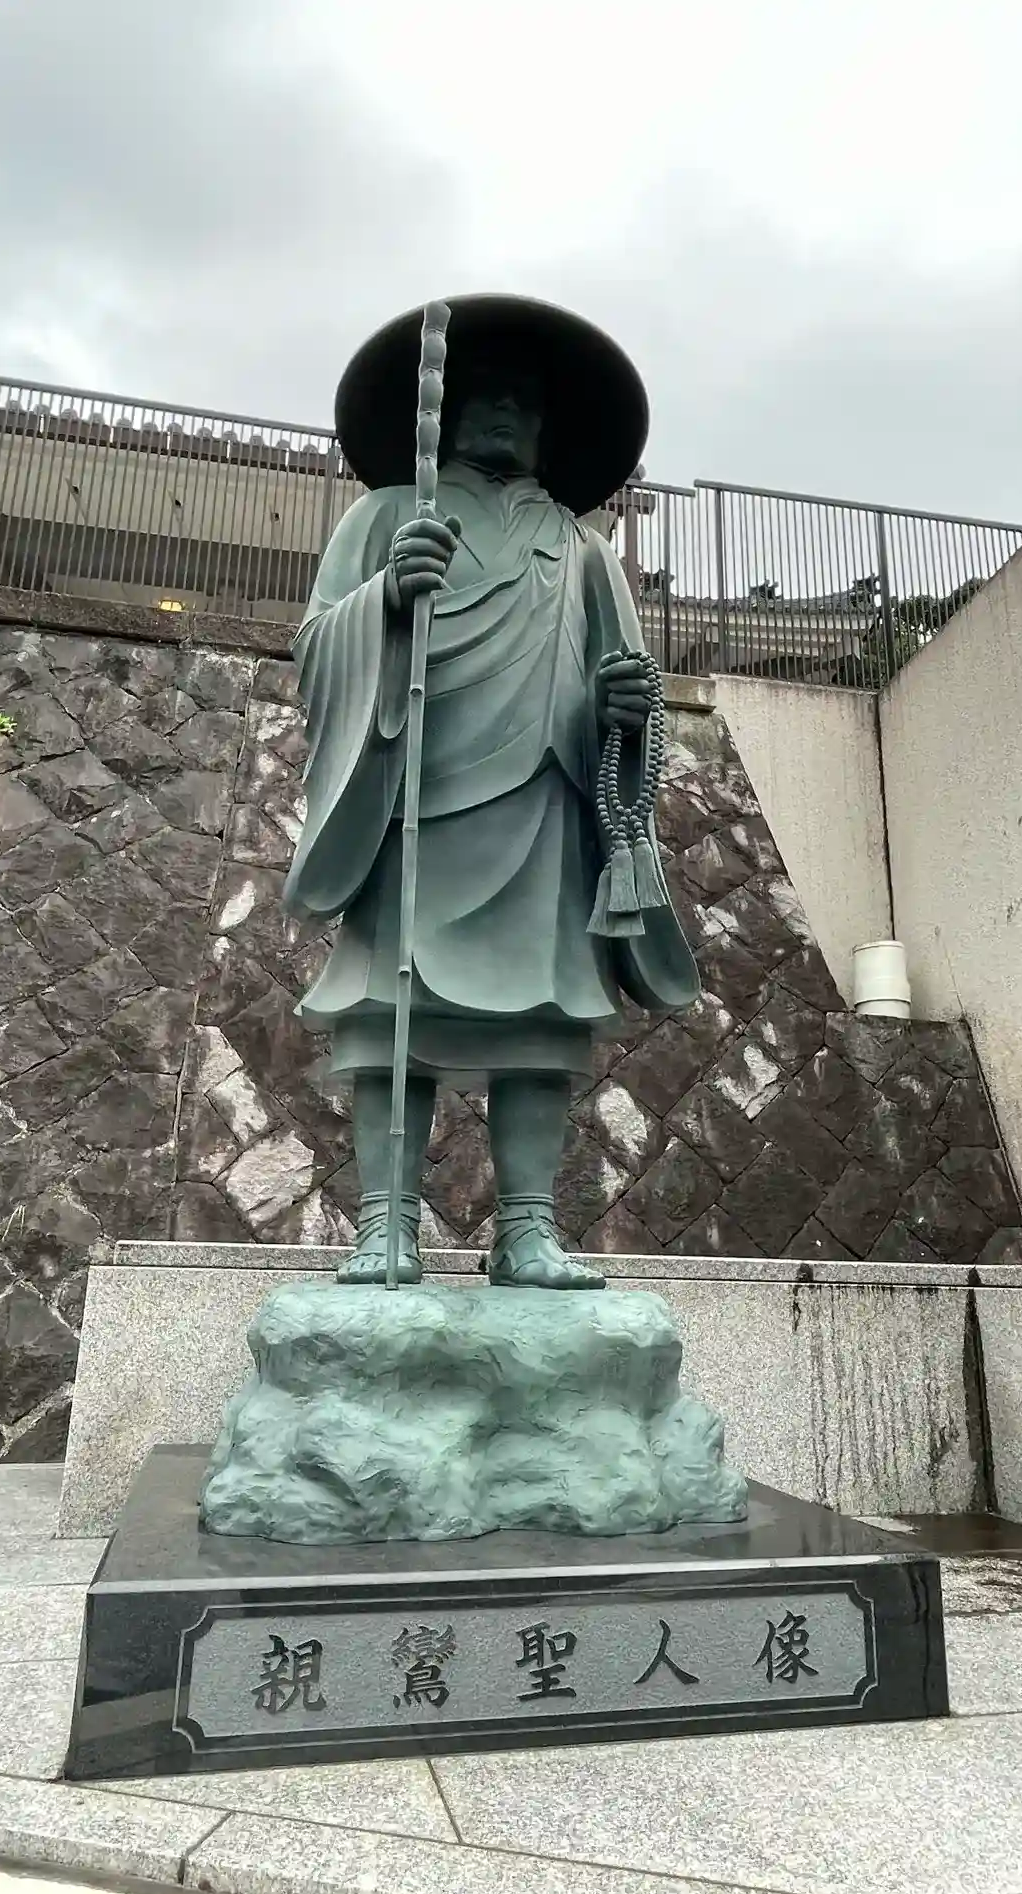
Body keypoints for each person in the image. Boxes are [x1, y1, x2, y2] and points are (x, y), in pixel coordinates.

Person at [283, 296, 699, 1287]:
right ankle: (385, 1224)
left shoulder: (581, 548)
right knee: (390, 1012)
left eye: (526, 400)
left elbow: (625, 686)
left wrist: (624, 709)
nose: (506, 411)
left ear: (550, 427)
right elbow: (315, 649)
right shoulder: (389, 515)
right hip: (413, 800)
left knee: (543, 1016)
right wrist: (386, 598)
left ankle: (528, 1229)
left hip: (542, 805)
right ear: (446, 411)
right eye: (488, 395)